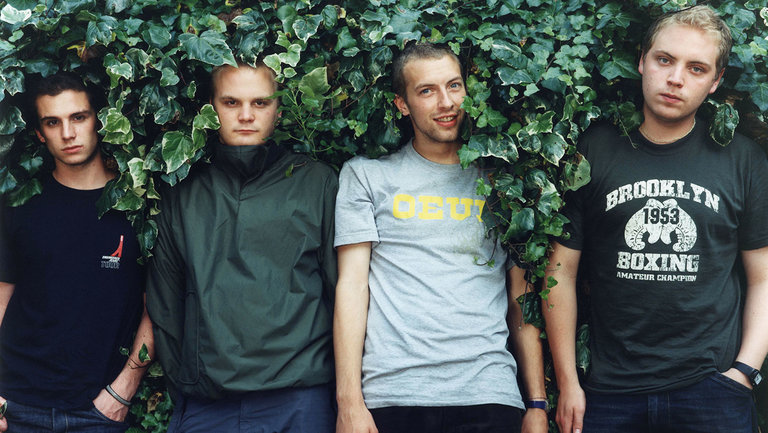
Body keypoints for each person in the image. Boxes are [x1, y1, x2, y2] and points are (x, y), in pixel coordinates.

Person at [544, 5, 768, 433]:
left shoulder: (742, 161)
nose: (676, 78)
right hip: (608, 394)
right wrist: (569, 382)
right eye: (665, 60)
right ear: (642, 61)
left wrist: (743, 373)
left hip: (712, 391)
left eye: (696, 68)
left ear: (716, 81)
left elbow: (763, 277)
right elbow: (560, 272)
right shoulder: (594, 150)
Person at [333, 42, 549, 433]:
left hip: (488, 392)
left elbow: (521, 293)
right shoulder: (367, 176)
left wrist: (536, 402)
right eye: (426, 91)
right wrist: (349, 402)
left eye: (454, 86)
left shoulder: (502, 181)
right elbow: (352, 287)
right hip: (395, 394)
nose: (446, 102)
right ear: (402, 104)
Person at [146, 61, 338, 433]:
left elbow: (342, 294)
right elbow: (165, 304)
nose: (246, 116)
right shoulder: (181, 191)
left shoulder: (317, 182)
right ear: (211, 108)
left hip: (300, 400)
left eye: (260, 103)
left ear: (279, 110)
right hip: (207, 404)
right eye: (231, 102)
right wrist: (188, 384)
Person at [0, 71, 154, 432]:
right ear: (40, 133)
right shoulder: (20, 205)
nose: (68, 133)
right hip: (17, 406)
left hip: (98, 412)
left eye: (78, 117)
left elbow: (159, 307)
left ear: (99, 121)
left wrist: (123, 391)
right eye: (53, 122)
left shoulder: (138, 209)